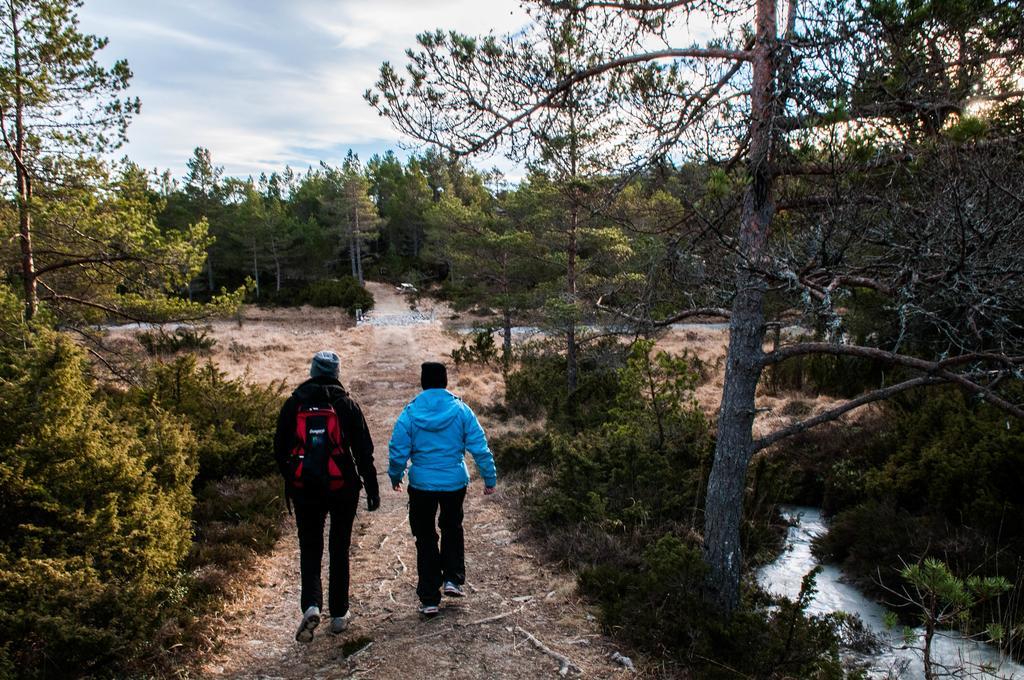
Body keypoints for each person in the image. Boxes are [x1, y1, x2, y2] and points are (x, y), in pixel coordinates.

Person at [274, 350, 380, 642]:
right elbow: (364, 451)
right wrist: (371, 487)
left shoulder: (294, 403)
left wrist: (293, 480)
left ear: (312, 370)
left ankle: (311, 606)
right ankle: (338, 615)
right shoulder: (346, 404)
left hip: (305, 488)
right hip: (342, 487)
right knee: (339, 548)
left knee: (310, 549)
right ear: (336, 372)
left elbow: (279, 449)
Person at [387, 361, 497, 617]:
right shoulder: (461, 410)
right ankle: (452, 579)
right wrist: (489, 478)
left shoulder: (410, 413)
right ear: (445, 381)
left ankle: (429, 599)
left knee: (425, 537)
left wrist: (396, 476)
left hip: (422, 485)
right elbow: (479, 447)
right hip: (453, 483)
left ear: (423, 382)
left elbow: (397, 451)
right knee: (452, 527)